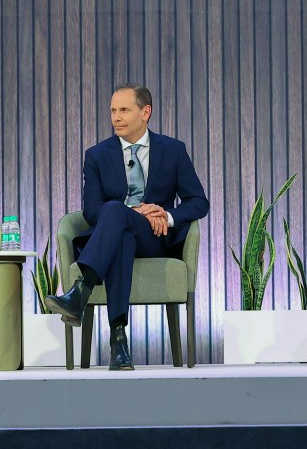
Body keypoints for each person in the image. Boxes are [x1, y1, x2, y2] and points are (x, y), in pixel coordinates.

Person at [44, 84, 209, 371]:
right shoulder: (96, 155)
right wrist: (130, 211)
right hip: (115, 236)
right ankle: (119, 344)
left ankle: (80, 292)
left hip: (156, 237)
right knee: (115, 220)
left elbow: (199, 202)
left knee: (116, 217)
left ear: (145, 112)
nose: (115, 117)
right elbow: (92, 211)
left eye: (124, 110)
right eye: (113, 110)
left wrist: (166, 215)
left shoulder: (173, 150)